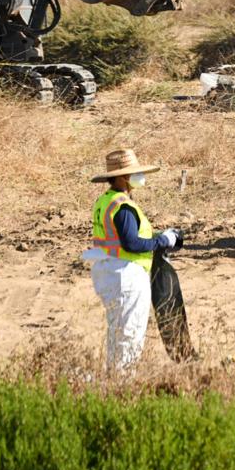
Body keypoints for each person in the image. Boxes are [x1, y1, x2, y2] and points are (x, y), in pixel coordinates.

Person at [83, 148, 180, 374]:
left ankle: (113, 379)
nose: (138, 176)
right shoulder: (123, 205)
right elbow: (132, 244)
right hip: (125, 274)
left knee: (118, 331)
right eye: (133, 173)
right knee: (129, 334)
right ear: (121, 177)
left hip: (109, 270)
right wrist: (164, 240)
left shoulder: (105, 200)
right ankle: (121, 383)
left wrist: (157, 238)